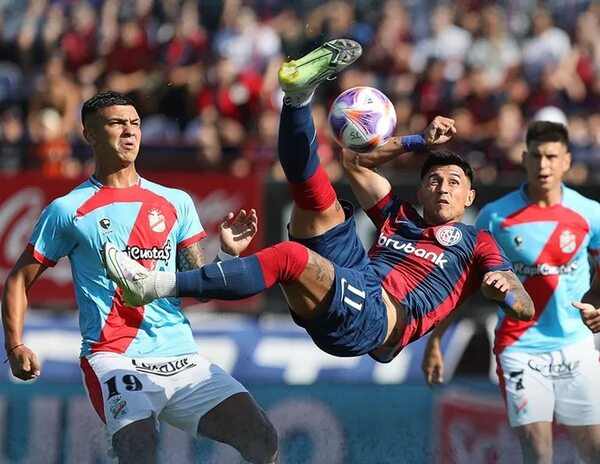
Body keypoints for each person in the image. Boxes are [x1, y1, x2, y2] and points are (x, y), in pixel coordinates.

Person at [103, 39, 534, 367]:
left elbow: (522, 302)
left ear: (470, 197)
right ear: (419, 191)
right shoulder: (398, 217)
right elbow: (354, 159)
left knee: (290, 255)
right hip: (356, 275)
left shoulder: (475, 242)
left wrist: (507, 294)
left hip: (378, 319)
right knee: (313, 198)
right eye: (434, 179)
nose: (443, 187)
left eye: (454, 182)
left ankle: (154, 284)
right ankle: (296, 98)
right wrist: (417, 140)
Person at [1, 91, 278, 464]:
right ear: (90, 134)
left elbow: (197, 283)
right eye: (117, 123)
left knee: (262, 436)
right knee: (139, 451)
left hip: (180, 356)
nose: (129, 132)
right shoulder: (67, 210)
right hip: (113, 358)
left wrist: (227, 253)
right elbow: (19, 279)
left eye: (135, 124)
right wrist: (15, 345)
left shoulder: (175, 201)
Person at [421, 121, 600, 463]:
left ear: (567, 160)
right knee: (538, 454)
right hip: (520, 350)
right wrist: (435, 341)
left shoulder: (590, 214)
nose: (543, 165)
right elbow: (460, 285)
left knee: (595, 452)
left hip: (575, 348)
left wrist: (597, 308)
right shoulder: (496, 217)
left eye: (551, 156)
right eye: (536, 156)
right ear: (524, 158)